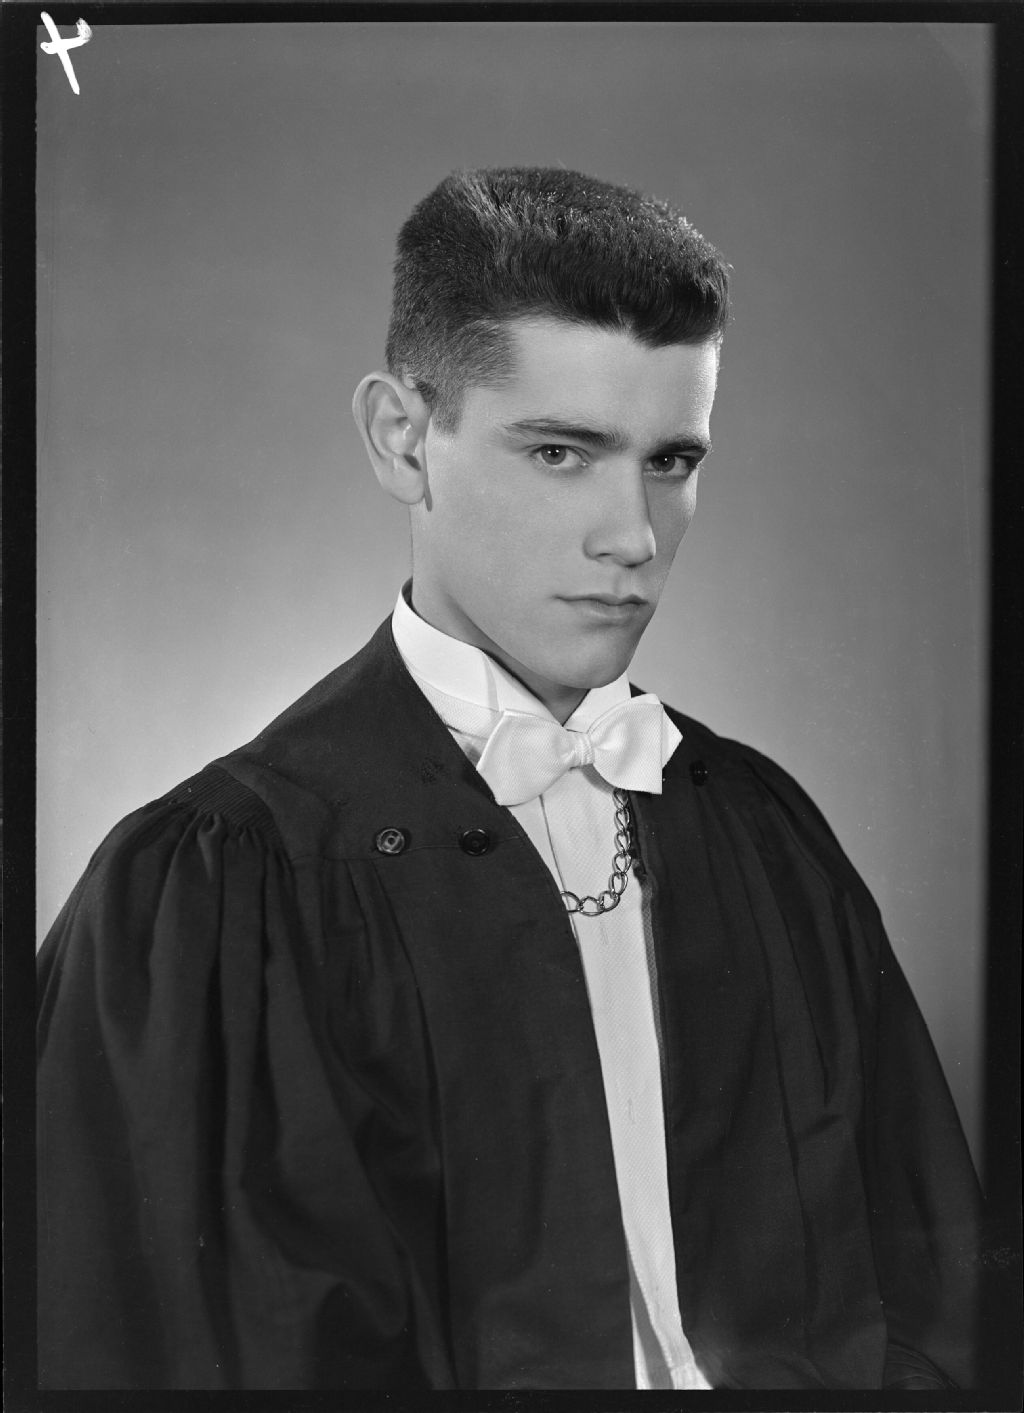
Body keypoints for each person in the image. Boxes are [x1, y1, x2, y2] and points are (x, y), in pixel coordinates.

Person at [37, 167, 985, 1391]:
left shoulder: (765, 831)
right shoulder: (209, 886)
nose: (632, 537)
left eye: (670, 461)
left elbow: (943, 1305)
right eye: (558, 452)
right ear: (402, 439)